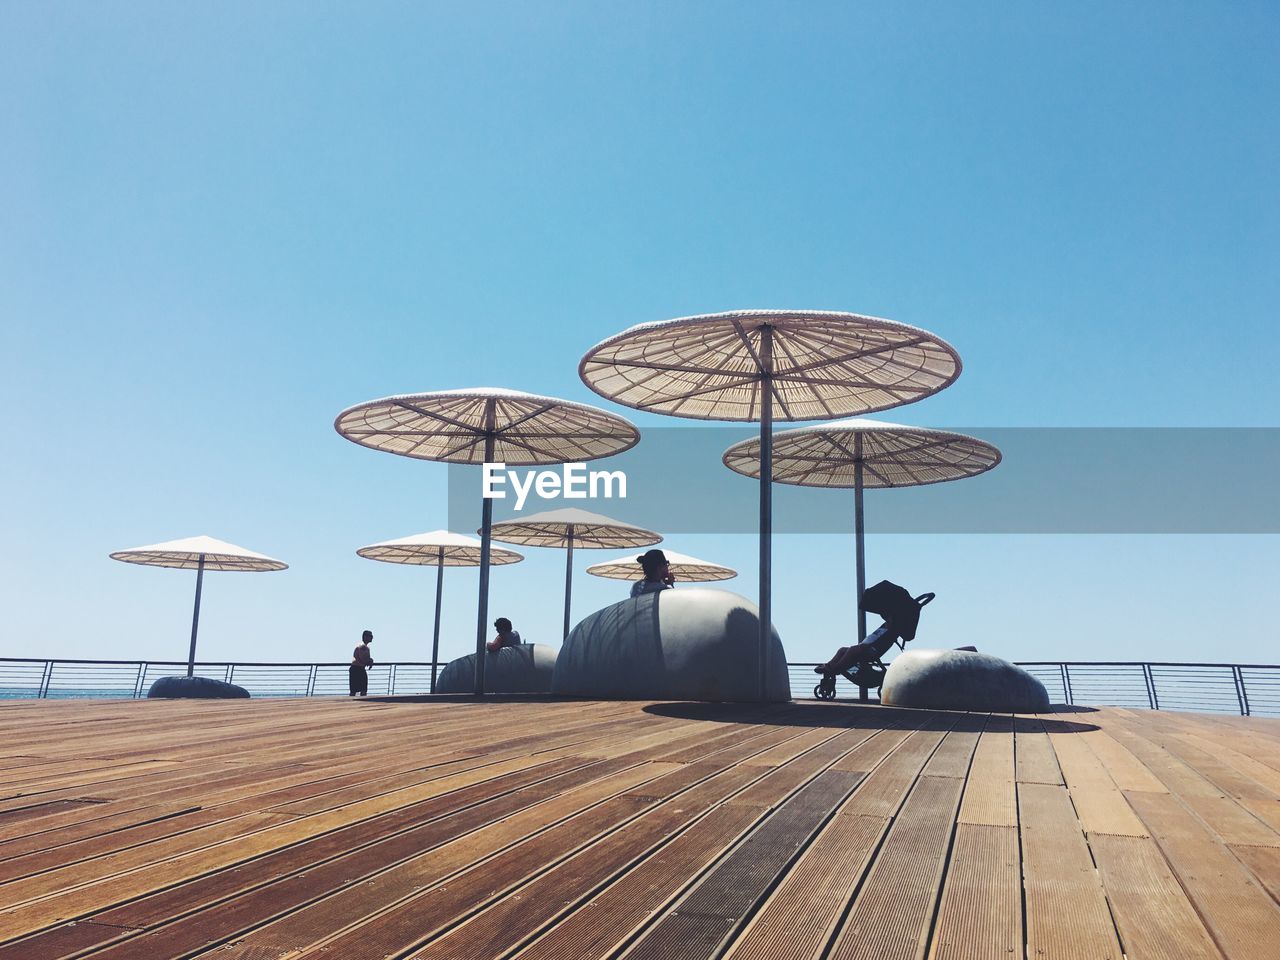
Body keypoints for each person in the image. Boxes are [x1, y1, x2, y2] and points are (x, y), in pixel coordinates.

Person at [349, 630, 373, 697]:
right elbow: (363, 659)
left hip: (357, 668)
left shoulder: (364, 646)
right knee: (362, 689)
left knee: (354, 690)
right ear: (365, 637)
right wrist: (370, 661)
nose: (372, 637)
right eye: (370, 636)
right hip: (357, 669)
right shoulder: (363, 647)